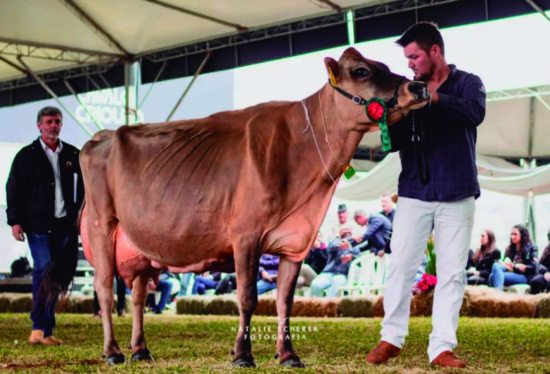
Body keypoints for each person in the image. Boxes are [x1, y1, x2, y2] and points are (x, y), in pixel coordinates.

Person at [366, 22, 486, 369]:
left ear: (435, 51)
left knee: (452, 272)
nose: (410, 64)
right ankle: (391, 338)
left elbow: (474, 113)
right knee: (401, 264)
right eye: (407, 58)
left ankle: (442, 348)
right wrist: (395, 114)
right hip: (415, 191)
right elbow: (395, 144)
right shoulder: (406, 90)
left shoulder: (468, 83)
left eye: (414, 56)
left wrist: (435, 98)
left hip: (457, 192)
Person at [6, 106, 84, 345]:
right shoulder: (26, 156)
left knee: (57, 276)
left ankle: (47, 330)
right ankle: (38, 327)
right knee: (44, 268)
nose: (53, 126)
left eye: (57, 122)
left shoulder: (73, 154)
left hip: (66, 226)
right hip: (38, 225)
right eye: (49, 122)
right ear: (39, 125)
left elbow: (85, 188)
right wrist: (15, 221)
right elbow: (14, 189)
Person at [488, 225, 537, 291]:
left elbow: (534, 266)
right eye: (511, 234)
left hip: (525, 276)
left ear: (522, 235)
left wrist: (523, 267)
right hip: (512, 271)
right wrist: (505, 264)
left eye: (515, 234)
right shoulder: (510, 248)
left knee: (493, 276)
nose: (512, 237)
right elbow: (506, 263)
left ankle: (498, 295)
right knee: (495, 266)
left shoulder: (531, 247)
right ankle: (497, 295)